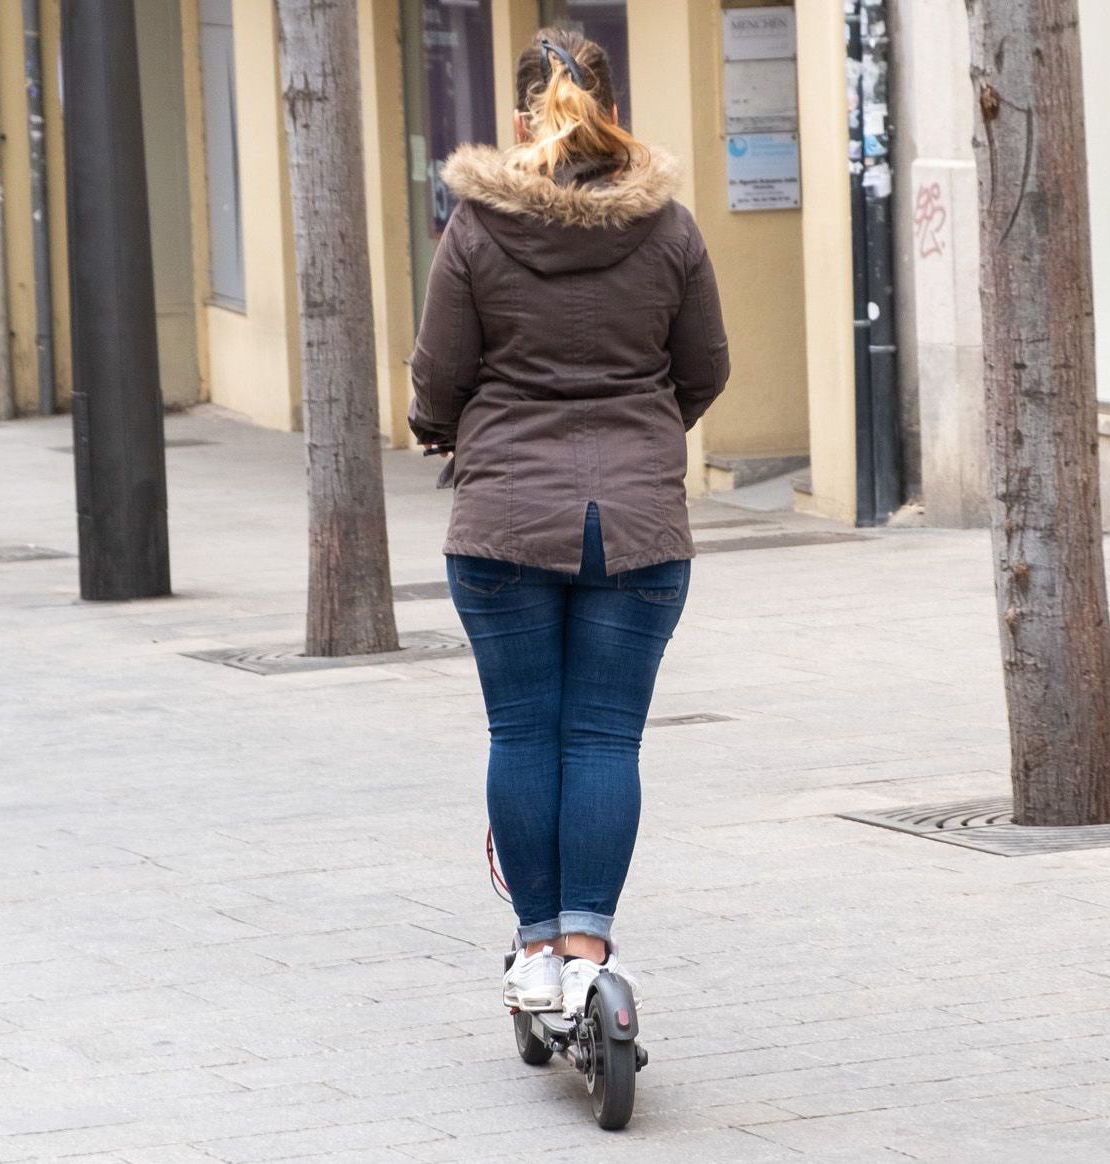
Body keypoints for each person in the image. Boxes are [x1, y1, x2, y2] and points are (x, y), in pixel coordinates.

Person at [408, 29, 729, 1018]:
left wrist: (441, 430)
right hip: (636, 529)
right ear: (610, 112)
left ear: (520, 121)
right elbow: (706, 366)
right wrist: (641, 441)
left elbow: (439, 377)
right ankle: (590, 949)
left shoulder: (474, 231)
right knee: (601, 740)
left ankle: (535, 953)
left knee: (522, 731)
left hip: (504, 520)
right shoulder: (669, 229)